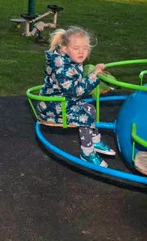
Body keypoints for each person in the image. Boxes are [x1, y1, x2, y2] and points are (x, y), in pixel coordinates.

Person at [36, 27, 117, 168]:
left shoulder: (71, 60)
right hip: (53, 106)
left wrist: (94, 71)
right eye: (76, 48)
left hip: (65, 101)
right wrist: (94, 75)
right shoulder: (62, 67)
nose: (81, 52)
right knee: (84, 118)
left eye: (85, 48)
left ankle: (95, 141)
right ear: (65, 48)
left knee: (90, 108)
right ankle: (87, 152)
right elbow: (76, 90)